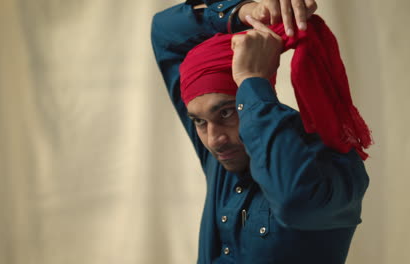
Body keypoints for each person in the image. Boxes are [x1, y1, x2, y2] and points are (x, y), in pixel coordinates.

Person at [151, 1, 370, 263]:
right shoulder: (224, 154)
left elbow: (294, 202)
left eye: (226, 112)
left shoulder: (332, 160)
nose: (214, 140)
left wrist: (252, 80)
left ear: (251, 96)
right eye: (199, 121)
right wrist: (239, 13)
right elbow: (164, 32)